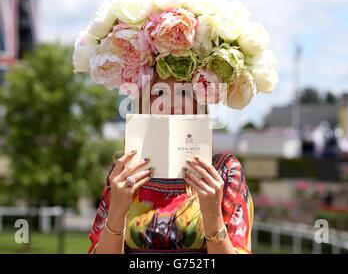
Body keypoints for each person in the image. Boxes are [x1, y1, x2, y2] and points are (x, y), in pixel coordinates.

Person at [88, 73, 254, 254]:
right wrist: (117, 213)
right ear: (143, 102)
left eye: (185, 93)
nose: (172, 102)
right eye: (159, 92)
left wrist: (213, 216)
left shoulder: (225, 171)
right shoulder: (123, 173)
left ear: (199, 103)